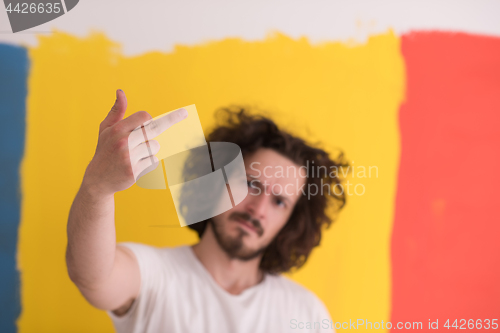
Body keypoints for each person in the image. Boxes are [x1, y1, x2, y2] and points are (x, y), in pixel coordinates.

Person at [66, 89, 348, 333]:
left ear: (291, 221)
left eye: (279, 202)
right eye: (251, 184)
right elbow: (93, 276)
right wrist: (97, 188)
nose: (258, 209)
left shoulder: (306, 313)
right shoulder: (155, 275)